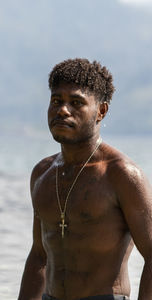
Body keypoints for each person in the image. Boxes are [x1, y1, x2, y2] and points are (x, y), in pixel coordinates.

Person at [18, 58, 152, 300]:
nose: (63, 110)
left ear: (101, 111)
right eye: (56, 101)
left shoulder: (121, 175)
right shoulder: (43, 173)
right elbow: (39, 256)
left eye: (76, 102)